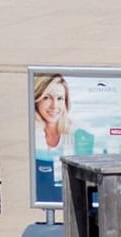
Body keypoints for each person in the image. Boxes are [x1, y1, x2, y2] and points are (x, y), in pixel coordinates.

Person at [32, 73, 71, 201]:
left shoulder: (75, 135)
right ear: (37, 99)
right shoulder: (34, 133)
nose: (54, 106)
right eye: (47, 98)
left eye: (60, 98)